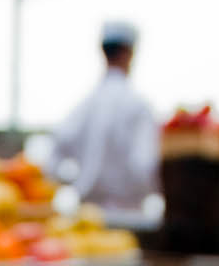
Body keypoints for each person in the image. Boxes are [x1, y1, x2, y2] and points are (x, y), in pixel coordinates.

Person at [47, 21, 160, 212]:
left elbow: (53, 159)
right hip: (131, 215)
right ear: (129, 53)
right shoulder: (138, 106)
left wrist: (79, 180)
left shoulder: (85, 105)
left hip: (86, 217)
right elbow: (145, 166)